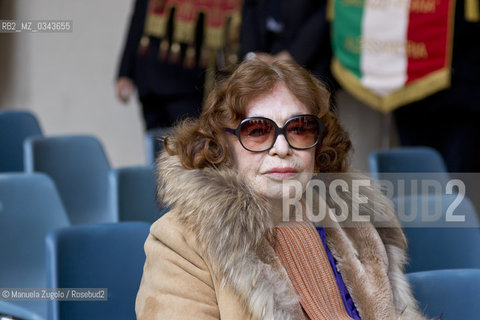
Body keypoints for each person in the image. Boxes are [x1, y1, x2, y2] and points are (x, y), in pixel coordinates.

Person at [135, 59, 426, 319]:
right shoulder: (178, 242)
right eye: (257, 131)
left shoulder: (356, 224)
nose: (282, 148)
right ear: (223, 146)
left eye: (299, 128)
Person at [116, 0, 205, 130]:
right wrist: (125, 73)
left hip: (185, 81)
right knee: (155, 144)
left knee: (190, 143)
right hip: (150, 80)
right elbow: (138, 21)